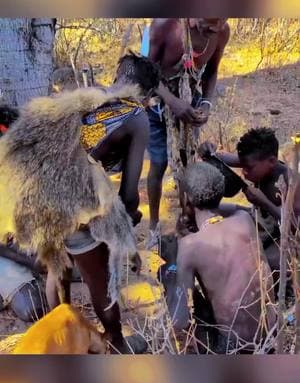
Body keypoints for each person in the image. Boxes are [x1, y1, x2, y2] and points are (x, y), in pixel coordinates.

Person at [43, 52, 161, 354]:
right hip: (74, 195)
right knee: (99, 278)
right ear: (147, 94)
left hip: (41, 187)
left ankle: (59, 332)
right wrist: (125, 220)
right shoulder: (136, 116)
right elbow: (130, 194)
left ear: (118, 76)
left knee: (58, 266)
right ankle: (116, 341)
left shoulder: (87, 93)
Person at [171, 162, 276, 354]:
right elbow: (234, 208)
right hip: (271, 332)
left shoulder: (189, 246)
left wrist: (174, 268)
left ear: (188, 198)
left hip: (235, 345)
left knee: (168, 266)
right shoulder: (244, 219)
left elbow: (181, 319)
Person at [145, 18, 230, 249]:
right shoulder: (164, 25)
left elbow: (211, 73)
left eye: (217, 24)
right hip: (157, 105)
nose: (210, 29)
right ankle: (153, 225)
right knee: (159, 163)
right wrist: (172, 102)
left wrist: (206, 104)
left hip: (189, 104)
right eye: (206, 22)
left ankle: (186, 219)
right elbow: (147, 73)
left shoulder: (221, 32)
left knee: (187, 163)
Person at [199, 127, 300, 300]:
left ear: (272, 161)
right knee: (211, 208)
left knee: (265, 265)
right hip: (262, 223)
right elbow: (223, 158)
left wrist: (265, 203)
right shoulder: (258, 162)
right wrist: (209, 151)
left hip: (285, 238)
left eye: (248, 168)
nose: (244, 172)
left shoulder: (290, 184)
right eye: (242, 166)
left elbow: (295, 228)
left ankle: (283, 293)